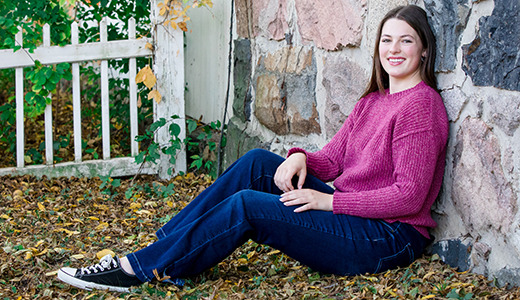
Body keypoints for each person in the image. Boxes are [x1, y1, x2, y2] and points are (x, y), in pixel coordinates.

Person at [57, 4, 448, 293]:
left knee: (247, 205)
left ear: (424, 51)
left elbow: (407, 197)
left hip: (387, 238)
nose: (394, 49)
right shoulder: (374, 101)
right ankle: (164, 248)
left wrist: (327, 202)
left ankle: (137, 269)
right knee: (259, 162)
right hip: (355, 217)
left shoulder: (420, 106)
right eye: (387, 39)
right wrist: (298, 155)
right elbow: (330, 161)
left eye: (406, 41)